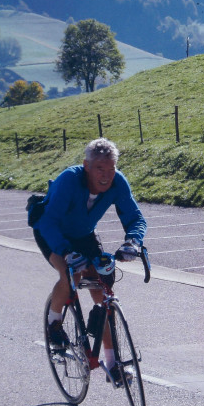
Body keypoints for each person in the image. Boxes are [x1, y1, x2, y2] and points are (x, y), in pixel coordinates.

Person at [32, 138, 147, 384]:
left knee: (103, 293)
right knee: (71, 273)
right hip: (52, 232)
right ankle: (54, 323)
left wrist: (133, 242)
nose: (106, 175)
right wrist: (65, 251)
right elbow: (49, 222)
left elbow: (134, 216)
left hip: (84, 234)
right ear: (86, 166)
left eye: (111, 168)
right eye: (99, 169)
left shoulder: (118, 182)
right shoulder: (69, 180)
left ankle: (112, 362)